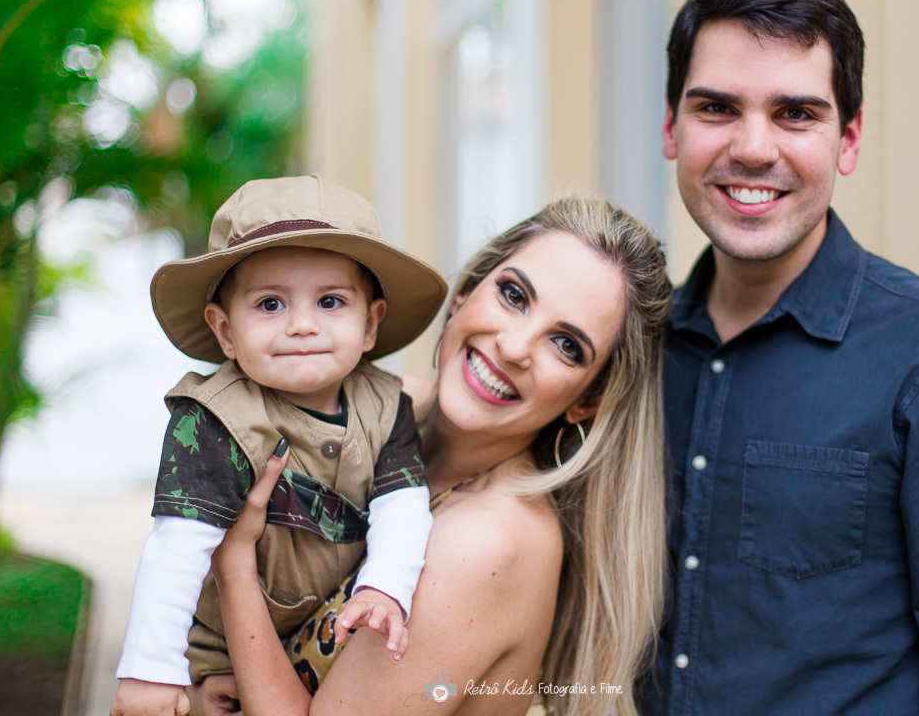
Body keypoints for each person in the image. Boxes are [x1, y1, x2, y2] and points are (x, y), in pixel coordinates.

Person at [641, 0, 919, 715]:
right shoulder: (637, 356)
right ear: (672, 127)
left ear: (850, 137)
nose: (751, 147)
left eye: (795, 113)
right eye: (717, 107)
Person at [191, 197, 673, 716]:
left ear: (587, 400)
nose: (514, 347)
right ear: (464, 295)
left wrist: (234, 563)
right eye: (513, 295)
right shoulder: (385, 421)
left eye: (566, 345)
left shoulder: (487, 540)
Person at [111, 175, 449, 716]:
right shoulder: (214, 420)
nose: (302, 325)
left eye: (331, 301)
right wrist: (152, 669)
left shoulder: (387, 406)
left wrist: (384, 588)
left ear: (371, 324)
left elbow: (402, 503)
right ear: (225, 331)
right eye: (270, 305)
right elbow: (176, 548)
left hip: (325, 637)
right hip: (225, 650)